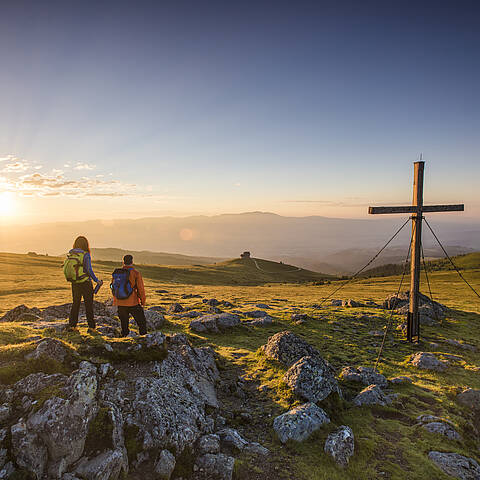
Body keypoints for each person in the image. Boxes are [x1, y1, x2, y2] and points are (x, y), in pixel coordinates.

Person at [65, 236, 103, 330]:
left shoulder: (72, 254)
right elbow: (89, 270)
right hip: (85, 282)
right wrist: (96, 280)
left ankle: (72, 325)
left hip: (75, 282)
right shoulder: (86, 254)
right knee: (88, 305)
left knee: (75, 304)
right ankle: (91, 326)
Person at [111, 254, 147, 336]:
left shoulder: (117, 273)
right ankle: (144, 339)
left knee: (124, 325)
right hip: (133, 302)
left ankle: (124, 340)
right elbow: (141, 289)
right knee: (142, 323)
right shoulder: (135, 273)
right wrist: (143, 301)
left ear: (123, 262)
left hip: (120, 302)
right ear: (132, 262)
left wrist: (116, 299)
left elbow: (113, 286)